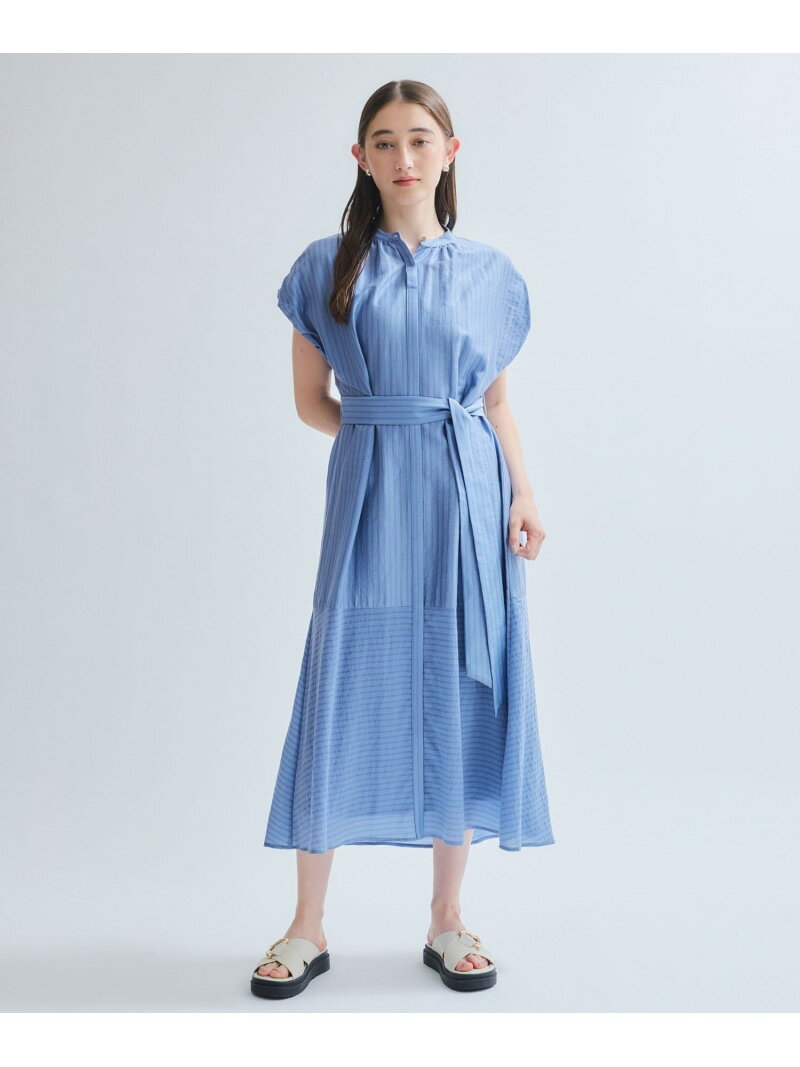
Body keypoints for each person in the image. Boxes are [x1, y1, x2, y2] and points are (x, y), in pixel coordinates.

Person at [251, 79, 555, 999]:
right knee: (341, 678)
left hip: (469, 497)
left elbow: (494, 401)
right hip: (370, 496)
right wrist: (383, 435)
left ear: (450, 151)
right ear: (361, 158)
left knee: (457, 683)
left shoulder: (491, 273)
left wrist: (522, 492)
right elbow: (312, 402)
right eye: (383, 141)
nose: (403, 156)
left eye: (420, 138)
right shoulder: (325, 266)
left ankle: (447, 916)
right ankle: (307, 925)